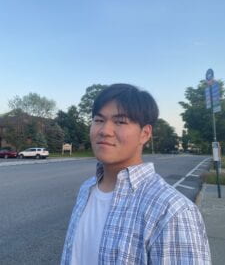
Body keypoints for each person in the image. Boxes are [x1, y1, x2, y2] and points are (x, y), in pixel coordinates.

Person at [61, 83, 211, 265]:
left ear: (145, 133)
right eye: (98, 120)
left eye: (120, 121)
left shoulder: (172, 211)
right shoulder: (87, 189)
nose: (104, 131)